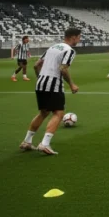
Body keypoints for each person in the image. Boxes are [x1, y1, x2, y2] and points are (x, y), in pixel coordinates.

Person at [19, 28, 81, 156]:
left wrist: (41, 78)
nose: (79, 40)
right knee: (58, 113)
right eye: (79, 37)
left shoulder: (52, 47)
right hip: (53, 83)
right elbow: (63, 69)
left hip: (40, 82)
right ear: (73, 37)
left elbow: (36, 65)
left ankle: (27, 141)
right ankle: (45, 144)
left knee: (43, 112)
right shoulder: (69, 51)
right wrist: (72, 84)